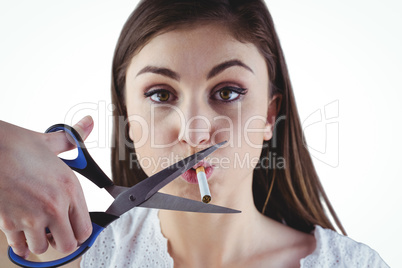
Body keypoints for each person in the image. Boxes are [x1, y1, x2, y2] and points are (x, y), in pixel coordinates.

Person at [0, 0, 389, 267]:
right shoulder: (56, 252)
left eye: (227, 92)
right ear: (128, 118)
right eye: (160, 94)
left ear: (270, 114)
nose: (195, 131)